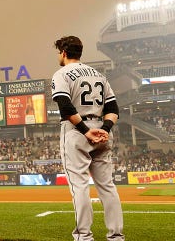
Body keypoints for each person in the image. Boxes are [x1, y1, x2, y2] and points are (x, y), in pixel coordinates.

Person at [51, 36, 124, 241]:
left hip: (77, 131)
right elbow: (113, 109)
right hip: (101, 129)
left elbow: (65, 107)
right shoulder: (98, 74)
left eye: (59, 52)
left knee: (80, 186)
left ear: (64, 52)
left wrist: (85, 130)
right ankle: (116, 236)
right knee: (107, 186)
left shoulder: (61, 73)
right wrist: (105, 129)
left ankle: (84, 236)